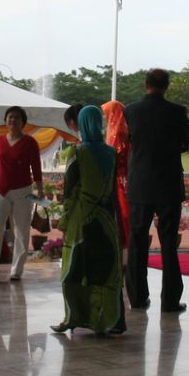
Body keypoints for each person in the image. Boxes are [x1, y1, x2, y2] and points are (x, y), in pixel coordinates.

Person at [51, 105, 128, 336]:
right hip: (105, 220)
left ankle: (73, 317)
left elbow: (70, 191)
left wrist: (64, 222)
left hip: (81, 220)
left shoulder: (77, 152)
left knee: (74, 269)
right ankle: (104, 320)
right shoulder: (110, 153)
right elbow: (112, 190)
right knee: (103, 271)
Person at [124, 68, 189, 313]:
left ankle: (137, 297)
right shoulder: (177, 111)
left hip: (140, 184)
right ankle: (170, 300)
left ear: (146, 84)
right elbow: (184, 144)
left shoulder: (130, 111)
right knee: (168, 243)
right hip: (168, 184)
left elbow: (129, 141)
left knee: (137, 240)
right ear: (166, 86)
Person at [0, 106, 44, 282]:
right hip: (0, 190)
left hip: (23, 191)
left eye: (17, 118)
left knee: (21, 229)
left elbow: (36, 167)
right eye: (10, 117)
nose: (13, 120)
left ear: (23, 122)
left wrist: (40, 189)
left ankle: (16, 270)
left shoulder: (30, 142)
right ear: (5, 120)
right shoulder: (0, 141)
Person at [101, 99, 131, 252]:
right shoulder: (124, 130)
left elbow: (113, 156)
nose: (105, 117)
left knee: (121, 213)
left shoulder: (117, 133)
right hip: (124, 178)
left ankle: (123, 248)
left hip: (118, 179)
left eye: (107, 114)